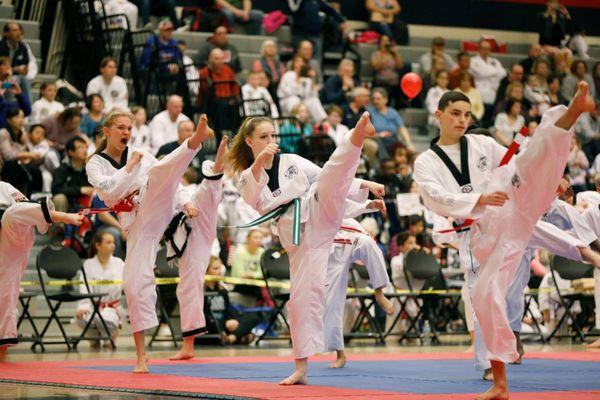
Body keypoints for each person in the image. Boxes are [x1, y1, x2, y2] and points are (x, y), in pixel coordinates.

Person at [413, 84, 594, 399]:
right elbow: (436, 197)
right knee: (484, 296)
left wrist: (548, 184)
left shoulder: (482, 143)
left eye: (467, 115)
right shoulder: (426, 162)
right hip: (477, 228)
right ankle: (493, 371)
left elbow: (517, 167)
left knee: (529, 161)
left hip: (511, 207)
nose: (461, 120)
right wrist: (479, 199)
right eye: (455, 114)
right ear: (438, 115)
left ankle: (572, 113)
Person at [229, 113, 385, 385]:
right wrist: (258, 162)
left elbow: (328, 176)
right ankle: (301, 368)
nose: (271, 141)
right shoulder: (245, 176)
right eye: (264, 137)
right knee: (300, 301)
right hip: (297, 236)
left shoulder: (291, 161)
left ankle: (356, 137)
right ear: (250, 141)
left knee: (329, 178)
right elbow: (253, 197)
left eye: (273, 136)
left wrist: (365, 185)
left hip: (316, 208)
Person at [86, 110, 213, 373]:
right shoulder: (95, 163)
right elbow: (109, 192)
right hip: (137, 226)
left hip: (157, 207)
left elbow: (172, 180)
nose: (126, 133)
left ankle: (193, 142)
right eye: (120, 128)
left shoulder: (141, 154)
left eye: (129, 128)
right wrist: (130, 167)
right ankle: (141, 356)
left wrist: (187, 202)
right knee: (134, 284)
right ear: (106, 131)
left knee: (161, 172)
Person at [0, 182, 84, 361]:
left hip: (10, 238)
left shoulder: (5, 188)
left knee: (12, 213)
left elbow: (24, 208)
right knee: (5, 297)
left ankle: (57, 215)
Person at [169, 135, 228, 360]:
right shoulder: (197, 188)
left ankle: (188, 346)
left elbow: (218, 168)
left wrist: (222, 149)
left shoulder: (209, 187)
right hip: (192, 238)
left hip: (198, 238)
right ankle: (188, 345)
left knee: (189, 288)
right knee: (186, 288)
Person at [324, 218, 392, 369]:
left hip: (346, 229)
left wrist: (368, 203)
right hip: (325, 240)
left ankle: (379, 292)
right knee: (331, 303)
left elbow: (352, 198)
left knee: (369, 244)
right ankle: (340, 354)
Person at [75, 230, 125, 349]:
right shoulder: (88, 264)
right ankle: (94, 338)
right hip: (92, 306)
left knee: (104, 319)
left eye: (113, 242)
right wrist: (83, 306)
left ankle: (109, 336)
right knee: (82, 318)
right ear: (98, 245)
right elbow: (84, 287)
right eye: (108, 242)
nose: (112, 245)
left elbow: (127, 285)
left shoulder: (119, 263)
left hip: (112, 308)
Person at [278, 55, 326, 123]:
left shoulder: (306, 78)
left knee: (314, 101)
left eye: (302, 62)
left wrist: (312, 80)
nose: (300, 63)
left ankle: (323, 123)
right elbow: (286, 92)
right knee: (294, 99)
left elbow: (312, 95)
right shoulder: (288, 75)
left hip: (302, 101)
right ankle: (297, 125)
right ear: (293, 64)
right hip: (288, 100)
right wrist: (297, 82)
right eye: (298, 61)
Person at [51, 136, 92, 213]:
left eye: (86, 147)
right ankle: (60, 224)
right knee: (59, 198)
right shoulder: (62, 169)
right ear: (71, 152)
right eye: (80, 147)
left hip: (86, 202)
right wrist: (80, 190)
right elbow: (56, 190)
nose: (85, 150)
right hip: (68, 202)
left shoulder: (90, 168)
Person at [469, 39, 506, 119]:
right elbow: (481, 73)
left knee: (489, 119)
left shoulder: (494, 61)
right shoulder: (473, 61)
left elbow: (503, 73)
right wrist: (495, 72)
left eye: (488, 49)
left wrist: (488, 72)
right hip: (480, 93)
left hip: (493, 94)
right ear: (479, 49)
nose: (486, 51)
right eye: (484, 48)